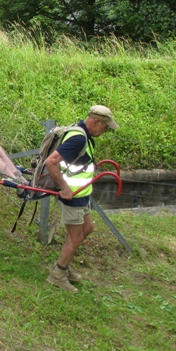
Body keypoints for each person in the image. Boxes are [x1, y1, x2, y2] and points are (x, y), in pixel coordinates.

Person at [45, 105, 119, 292]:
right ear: (95, 122)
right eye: (105, 127)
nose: (105, 131)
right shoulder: (78, 138)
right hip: (73, 195)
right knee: (75, 237)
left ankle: (63, 265)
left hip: (82, 194)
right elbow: (51, 162)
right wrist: (64, 187)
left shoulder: (86, 135)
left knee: (87, 228)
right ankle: (58, 275)